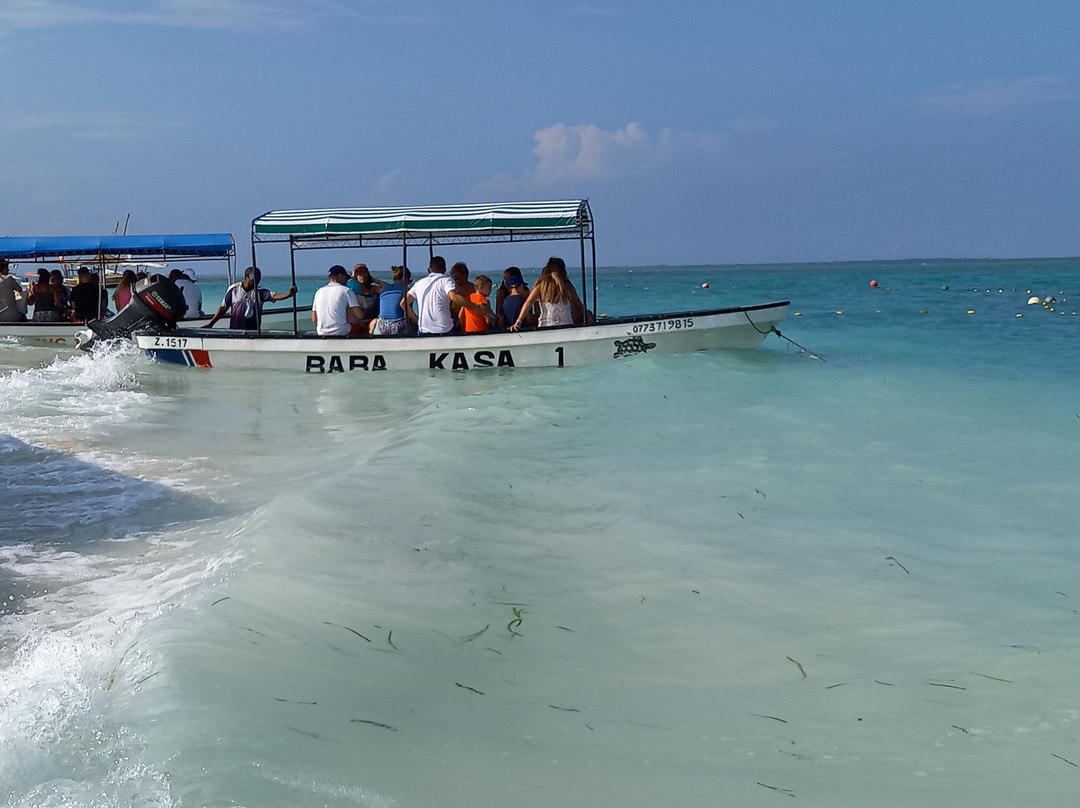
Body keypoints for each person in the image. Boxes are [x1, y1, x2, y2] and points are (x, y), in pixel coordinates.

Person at [407, 255, 492, 335]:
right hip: (445, 329)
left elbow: (403, 303)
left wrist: (417, 320)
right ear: (444, 269)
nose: (454, 279)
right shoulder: (446, 280)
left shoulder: (419, 283)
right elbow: (453, 297)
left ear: (430, 268)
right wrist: (475, 307)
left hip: (424, 329)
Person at [204, 266, 297, 330]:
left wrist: (288, 295)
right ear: (248, 276)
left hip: (253, 333)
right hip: (235, 332)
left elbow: (275, 296)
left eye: (259, 278)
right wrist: (211, 324)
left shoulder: (260, 292)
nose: (258, 280)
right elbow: (223, 308)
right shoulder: (234, 290)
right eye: (256, 277)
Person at [509, 256, 585, 330]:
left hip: (546, 326)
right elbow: (578, 304)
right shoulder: (567, 286)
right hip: (566, 326)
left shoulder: (541, 286)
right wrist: (587, 317)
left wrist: (518, 321)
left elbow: (529, 302)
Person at [312, 265, 362, 336]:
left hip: (321, 332)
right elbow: (360, 315)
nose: (346, 281)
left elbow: (314, 319)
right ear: (340, 275)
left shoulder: (319, 291)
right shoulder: (347, 291)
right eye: (345, 278)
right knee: (362, 325)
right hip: (341, 331)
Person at [370, 265, 414, 336]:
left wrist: (375, 280)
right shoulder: (407, 290)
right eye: (409, 281)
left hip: (381, 325)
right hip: (397, 326)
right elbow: (409, 314)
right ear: (406, 279)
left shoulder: (385, 288)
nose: (409, 283)